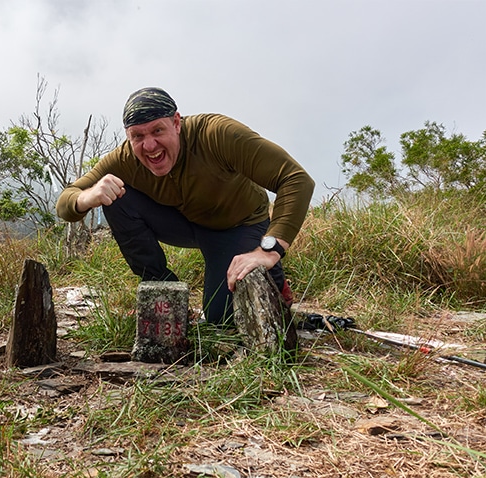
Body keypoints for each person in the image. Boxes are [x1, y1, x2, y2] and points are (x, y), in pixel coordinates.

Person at [56, 87, 314, 325]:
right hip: (184, 222)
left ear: (176, 122)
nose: (149, 146)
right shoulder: (125, 158)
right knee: (116, 197)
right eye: (137, 136)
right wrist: (88, 197)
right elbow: (66, 202)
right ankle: (164, 290)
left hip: (238, 225)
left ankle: (276, 285)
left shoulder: (217, 134)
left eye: (158, 130)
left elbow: (296, 179)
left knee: (221, 322)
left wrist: (269, 251)